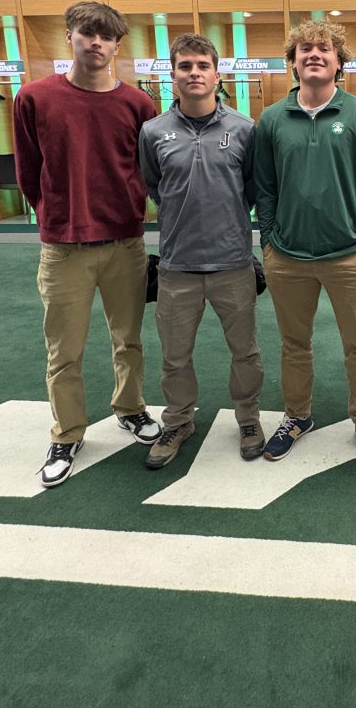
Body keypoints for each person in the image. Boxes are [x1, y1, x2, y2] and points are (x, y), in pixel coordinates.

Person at [13, 0, 160, 488]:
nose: (96, 43)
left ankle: (131, 408)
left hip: (125, 244)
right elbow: (28, 170)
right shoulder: (33, 97)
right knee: (64, 351)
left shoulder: (138, 105)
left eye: (105, 37)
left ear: (117, 46)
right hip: (64, 248)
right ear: (70, 37)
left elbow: (147, 170)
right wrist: (55, 215)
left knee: (129, 340)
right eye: (86, 33)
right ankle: (68, 432)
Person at [254, 19, 356, 470]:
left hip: (348, 256)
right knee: (295, 344)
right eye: (305, 49)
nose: (314, 54)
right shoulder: (272, 119)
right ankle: (297, 416)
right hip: (287, 257)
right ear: (293, 62)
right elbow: (265, 188)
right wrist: (269, 240)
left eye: (324, 49)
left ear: (338, 62)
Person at [138, 34, 265, 468]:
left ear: (216, 74)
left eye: (202, 66)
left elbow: (250, 189)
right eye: (185, 66)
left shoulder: (244, 128)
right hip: (177, 266)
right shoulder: (153, 131)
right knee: (174, 356)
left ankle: (248, 417)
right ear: (172, 74)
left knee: (245, 350)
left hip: (233, 262)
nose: (194, 73)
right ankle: (177, 421)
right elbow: (155, 186)